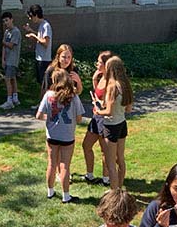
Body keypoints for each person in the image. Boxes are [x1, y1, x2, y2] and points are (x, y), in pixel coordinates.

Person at [35, 69, 84, 204]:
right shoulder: (73, 96)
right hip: (67, 136)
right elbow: (79, 119)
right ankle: (65, 195)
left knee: (51, 163)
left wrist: (50, 118)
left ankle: (50, 192)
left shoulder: (48, 95)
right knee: (65, 166)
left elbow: (38, 115)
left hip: (52, 135)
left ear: (54, 80)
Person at [91, 56, 133, 190]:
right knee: (120, 159)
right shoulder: (125, 85)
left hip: (111, 126)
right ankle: (119, 189)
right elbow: (128, 108)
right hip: (122, 124)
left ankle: (114, 195)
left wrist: (98, 111)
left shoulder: (112, 87)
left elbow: (108, 111)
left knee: (110, 164)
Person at [81, 50, 113, 186]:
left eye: (99, 62)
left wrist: (99, 105)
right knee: (86, 145)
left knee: (104, 150)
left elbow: (107, 103)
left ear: (106, 64)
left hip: (103, 119)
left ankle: (106, 179)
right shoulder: (101, 78)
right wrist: (94, 79)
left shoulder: (110, 82)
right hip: (95, 117)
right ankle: (90, 175)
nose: (97, 64)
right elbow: (97, 94)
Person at [23, 4, 52, 94]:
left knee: (45, 83)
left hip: (44, 59)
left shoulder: (46, 26)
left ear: (35, 15)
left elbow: (45, 43)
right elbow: (41, 37)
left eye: (31, 17)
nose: (30, 19)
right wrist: (31, 31)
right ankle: (42, 103)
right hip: (39, 58)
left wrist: (34, 36)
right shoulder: (41, 25)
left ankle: (46, 104)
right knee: (41, 83)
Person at [0, 11, 21, 110]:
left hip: (13, 59)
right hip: (7, 59)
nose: (6, 23)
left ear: (12, 20)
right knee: (12, 78)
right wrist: (3, 59)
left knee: (8, 79)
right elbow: (4, 46)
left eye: (7, 20)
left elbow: (11, 45)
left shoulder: (16, 32)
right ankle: (15, 98)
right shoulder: (6, 32)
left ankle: (9, 100)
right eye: (4, 21)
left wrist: (3, 42)